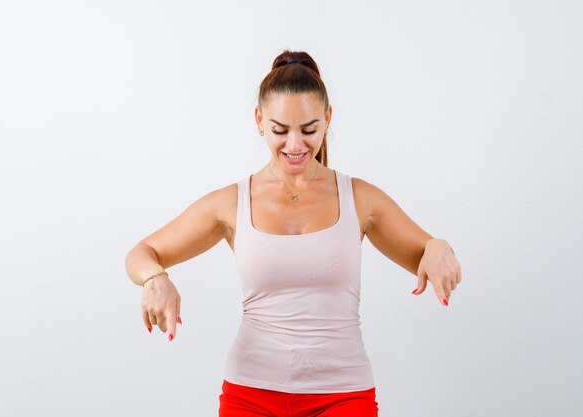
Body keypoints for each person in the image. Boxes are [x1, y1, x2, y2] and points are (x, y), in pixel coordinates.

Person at [125, 49, 462, 417]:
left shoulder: (360, 199)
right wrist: (154, 278)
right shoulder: (231, 203)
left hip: (343, 395)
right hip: (250, 393)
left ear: (328, 118)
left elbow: (425, 255)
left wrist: (438, 245)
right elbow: (142, 253)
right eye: (280, 131)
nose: (295, 145)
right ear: (259, 120)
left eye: (309, 130)